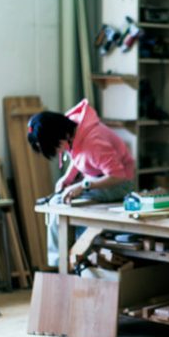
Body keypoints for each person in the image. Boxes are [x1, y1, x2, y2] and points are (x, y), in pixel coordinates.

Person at [27, 99, 135, 266]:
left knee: (67, 204)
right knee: (58, 202)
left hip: (120, 184)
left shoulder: (93, 142)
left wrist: (84, 185)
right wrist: (67, 179)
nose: (57, 152)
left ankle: (73, 260)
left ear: (59, 138)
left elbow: (118, 175)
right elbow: (78, 156)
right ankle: (63, 261)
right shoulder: (73, 130)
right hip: (98, 178)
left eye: (54, 148)